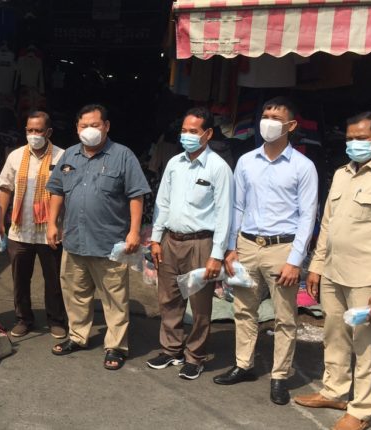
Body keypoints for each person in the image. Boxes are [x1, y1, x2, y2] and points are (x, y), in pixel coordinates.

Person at [295, 113, 371, 430]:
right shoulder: (342, 174)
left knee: (365, 345)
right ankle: (334, 391)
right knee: (334, 336)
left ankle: (361, 409)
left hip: (366, 279)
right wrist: (316, 266)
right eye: (349, 138)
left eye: (361, 138)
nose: (353, 144)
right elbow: (327, 224)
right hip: (333, 272)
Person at [213, 97, 318, 405]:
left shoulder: (303, 167)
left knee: (284, 317)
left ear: (291, 126)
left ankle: (279, 376)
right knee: (243, 309)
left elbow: (308, 216)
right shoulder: (246, 161)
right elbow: (237, 206)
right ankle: (243, 364)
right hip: (247, 245)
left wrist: (295, 260)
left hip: (281, 249)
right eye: (265, 115)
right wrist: (231, 247)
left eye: (276, 117)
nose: (268, 122)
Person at [46, 104, 151, 370]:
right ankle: (78, 336)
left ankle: (116, 346)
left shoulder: (122, 155)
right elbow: (56, 190)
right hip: (74, 239)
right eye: (84, 126)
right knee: (75, 293)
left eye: (95, 125)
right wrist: (51, 223)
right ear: (77, 128)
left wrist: (134, 231)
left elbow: (136, 195)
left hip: (109, 243)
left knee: (114, 298)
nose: (89, 130)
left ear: (106, 126)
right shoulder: (69, 155)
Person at [147, 107, 233, 380]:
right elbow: (162, 202)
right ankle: (171, 349)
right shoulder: (174, 163)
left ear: (208, 134)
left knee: (199, 304)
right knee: (169, 298)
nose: (187, 136)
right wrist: (156, 239)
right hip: (171, 240)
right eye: (184, 131)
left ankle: (195, 356)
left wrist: (216, 255)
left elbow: (224, 214)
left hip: (201, 244)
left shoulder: (218, 168)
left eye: (193, 131)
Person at [0, 111, 68, 339]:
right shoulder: (16, 156)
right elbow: (5, 187)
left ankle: (56, 320)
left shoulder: (63, 157)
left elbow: (68, 192)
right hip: (20, 230)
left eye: (38, 130)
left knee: (54, 280)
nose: (33, 134)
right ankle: (23, 319)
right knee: (20, 279)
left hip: (50, 230)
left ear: (49, 132)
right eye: (30, 130)